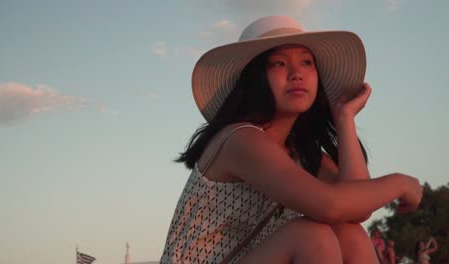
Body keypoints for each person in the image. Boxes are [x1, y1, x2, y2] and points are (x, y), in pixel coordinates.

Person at [160, 15, 422, 263]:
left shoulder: (302, 155)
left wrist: (344, 118)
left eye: (307, 62)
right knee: (311, 236)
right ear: (256, 79)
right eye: (279, 63)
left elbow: (355, 210)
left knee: (349, 234)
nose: (297, 73)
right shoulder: (240, 139)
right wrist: (400, 183)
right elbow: (330, 205)